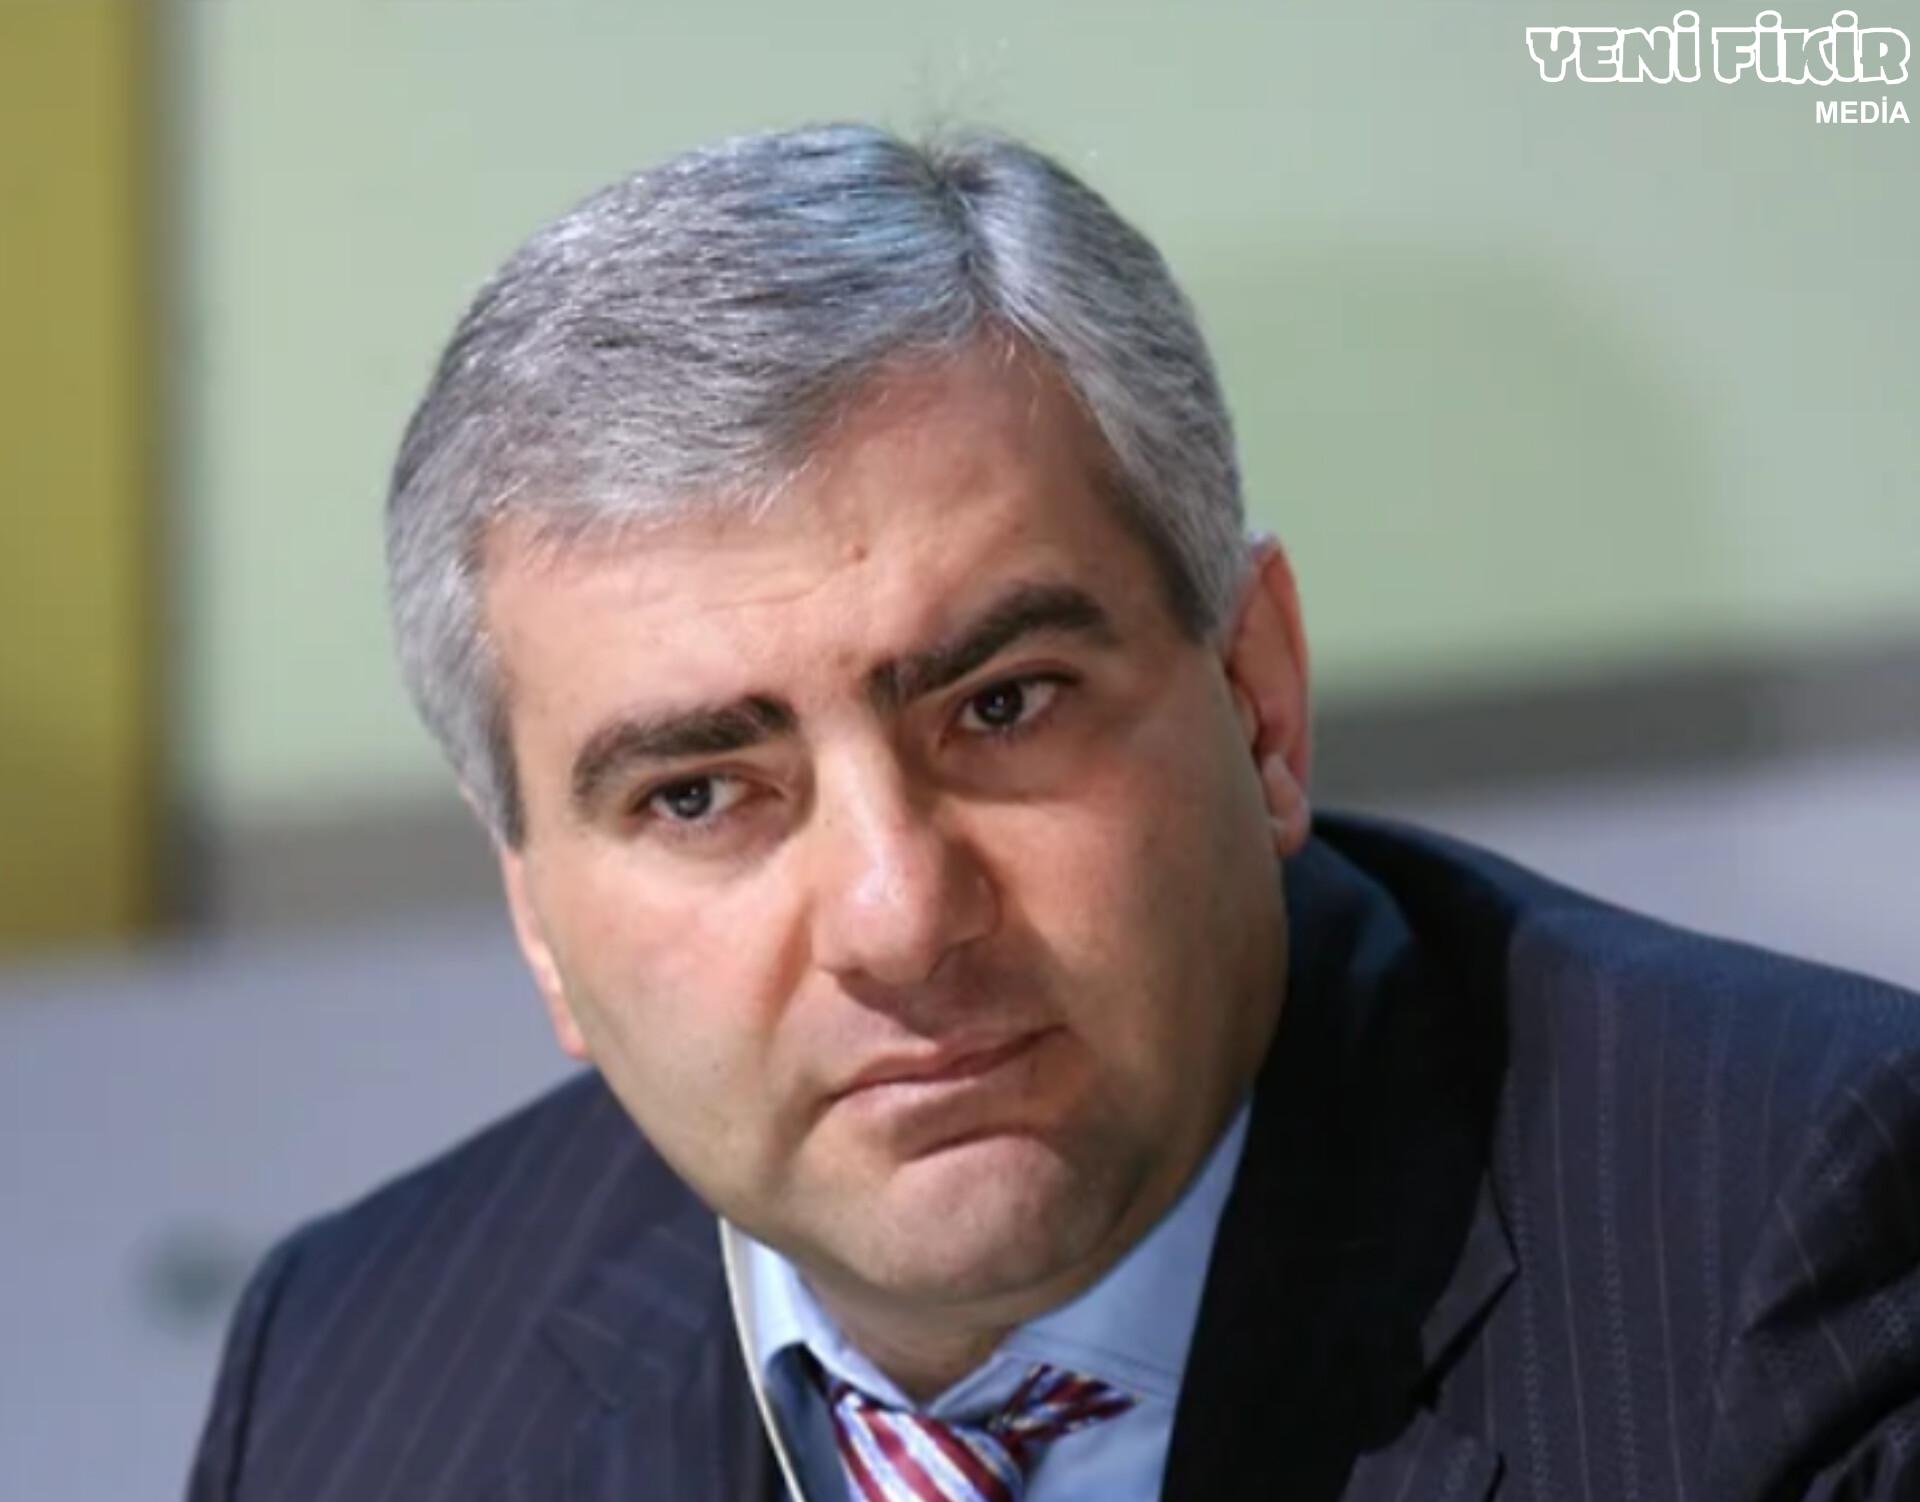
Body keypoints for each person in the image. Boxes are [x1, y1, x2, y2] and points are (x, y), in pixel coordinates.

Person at [187, 123, 1920, 1502]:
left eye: (1000, 706)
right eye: (701, 792)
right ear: (538, 920)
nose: (898, 916)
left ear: (1257, 696)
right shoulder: (354, 1388)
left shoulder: (1785, 1244)